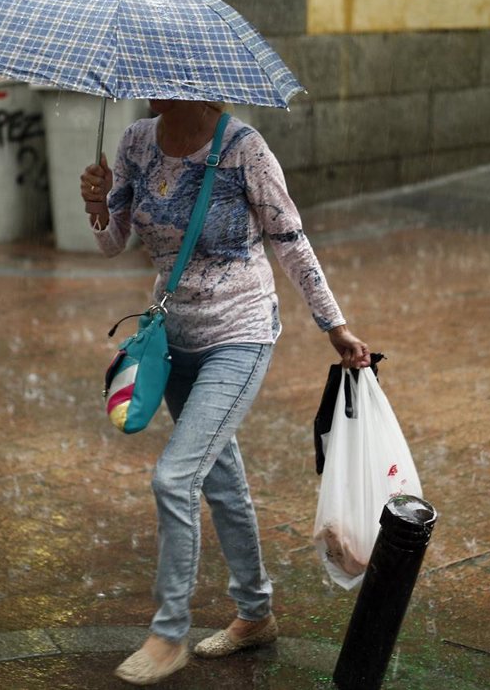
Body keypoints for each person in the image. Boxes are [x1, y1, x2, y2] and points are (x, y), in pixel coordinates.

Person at [79, 100, 370, 686]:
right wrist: (98, 202)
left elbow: (290, 241)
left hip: (240, 334)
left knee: (175, 476)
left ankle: (168, 634)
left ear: (190, 81)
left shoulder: (243, 149)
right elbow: (113, 243)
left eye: (159, 69)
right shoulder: (136, 141)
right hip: (172, 340)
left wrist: (334, 324)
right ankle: (256, 612)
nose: (148, 80)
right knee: (220, 478)